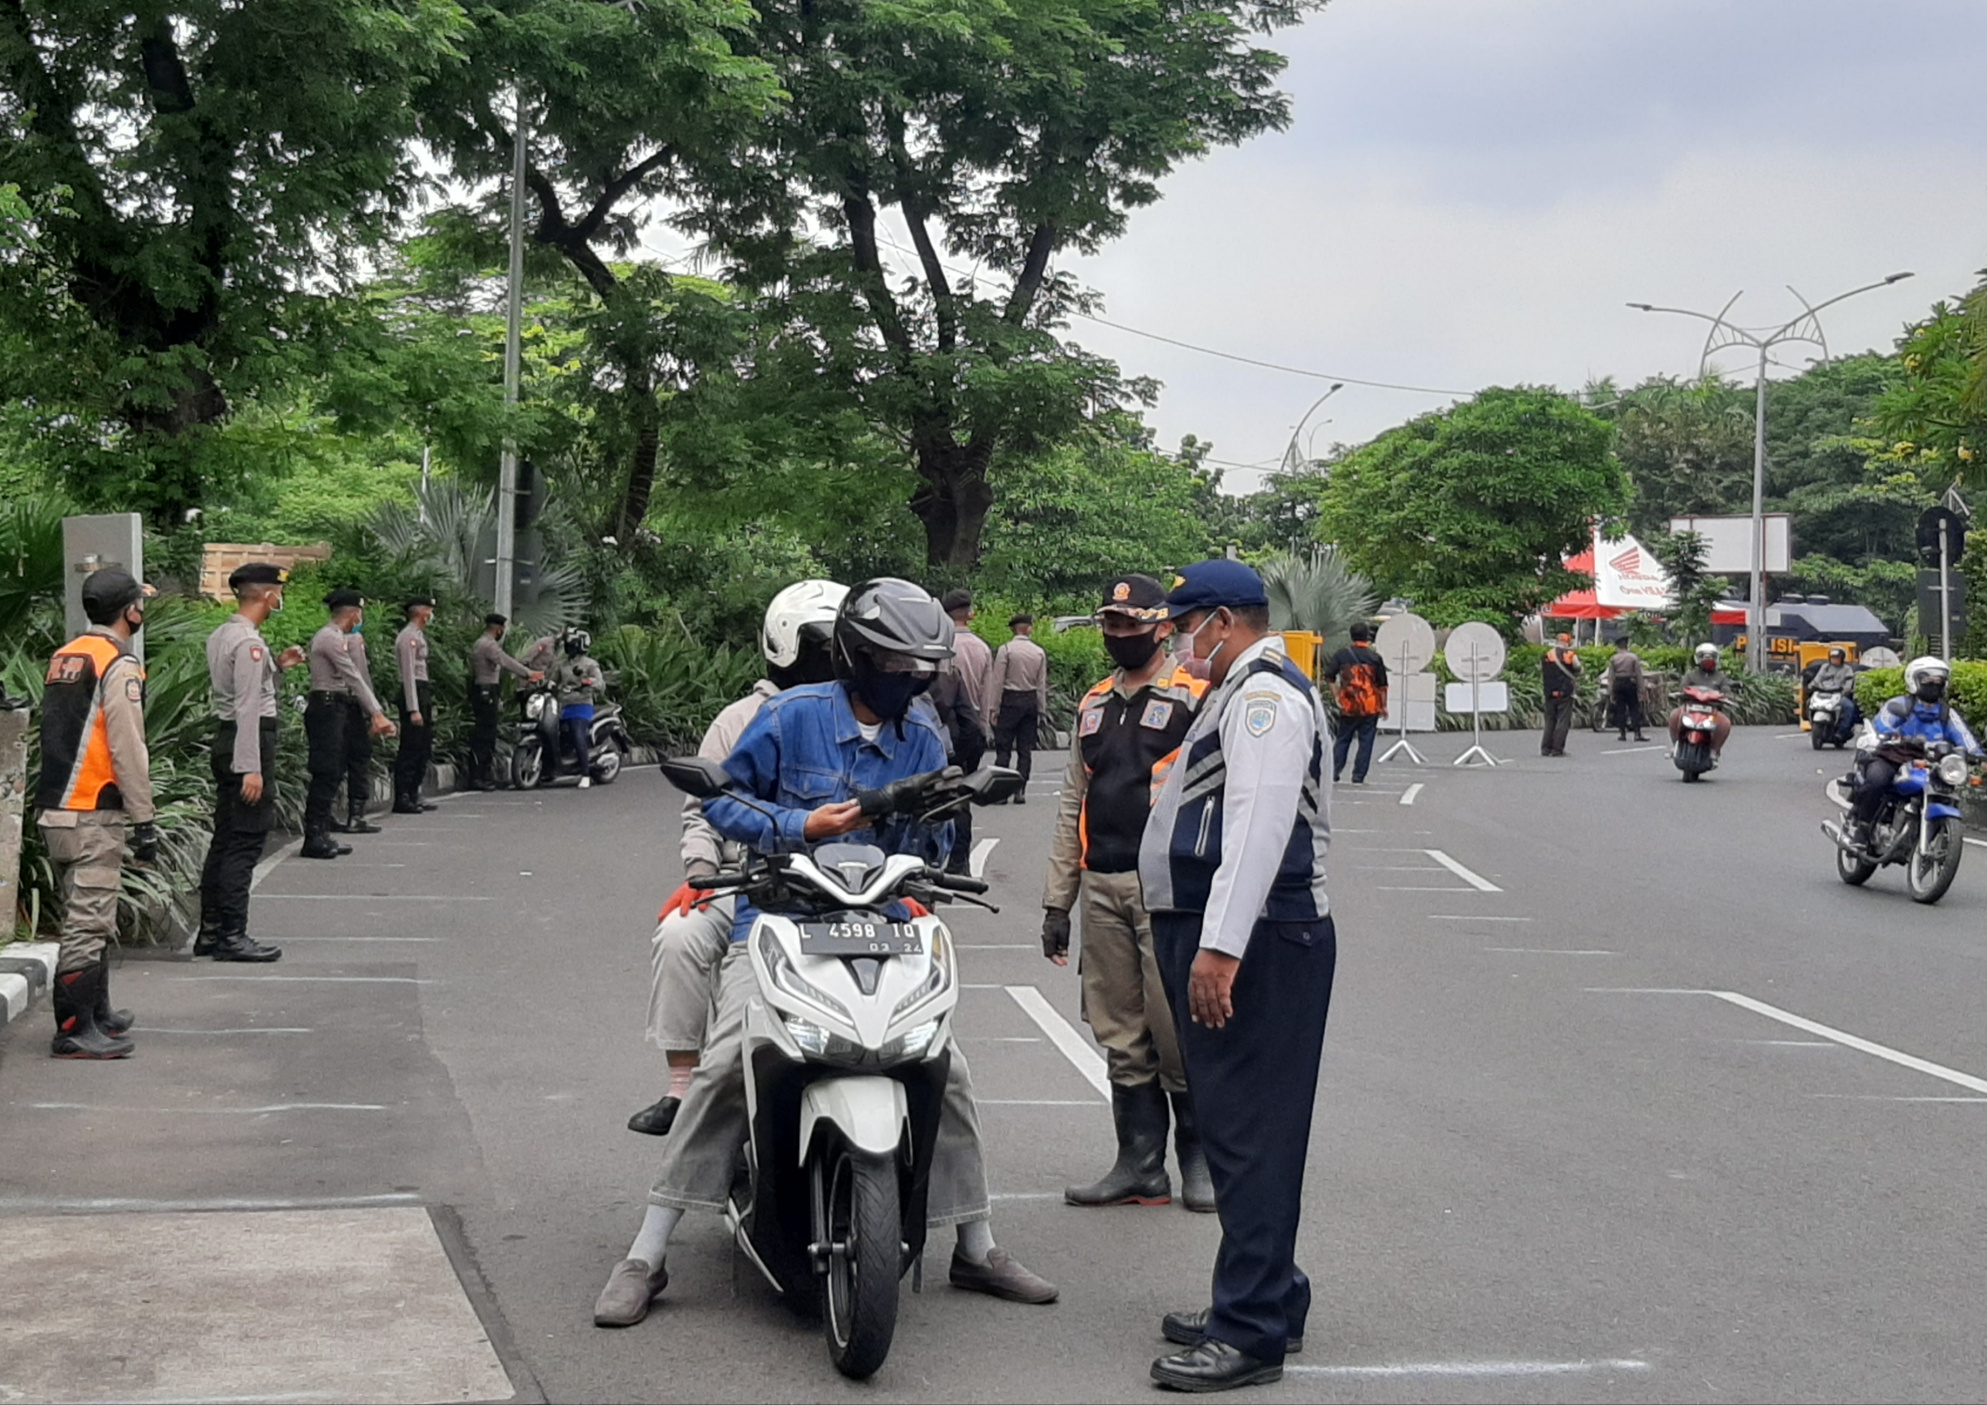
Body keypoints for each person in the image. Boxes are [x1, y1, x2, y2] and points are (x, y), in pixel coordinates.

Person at [593, 578, 1056, 1328]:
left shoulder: (923, 736)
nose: (910, 677)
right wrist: (798, 827)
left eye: (921, 665)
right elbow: (722, 799)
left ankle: (976, 1241)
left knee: (950, 1068)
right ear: (858, 654)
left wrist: (927, 864)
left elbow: (932, 835)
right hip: (774, 920)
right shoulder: (789, 716)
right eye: (897, 661)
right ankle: (646, 1250)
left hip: (880, 924)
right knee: (726, 1064)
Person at [1137, 559, 1334, 1393]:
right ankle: (1264, 1295)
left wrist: (1220, 945)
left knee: (1249, 1133)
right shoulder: (1245, 685)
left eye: (1185, 625)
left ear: (1222, 619)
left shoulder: (1262, 697)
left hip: (1257, 939)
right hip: (1245, 933)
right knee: (1237, 1125)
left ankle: (1249, 1329)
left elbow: (1255, 826)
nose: (1180, 642)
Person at [628, 580, 847, 1137]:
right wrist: (702, 876)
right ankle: (682, 1086)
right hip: (741, 881)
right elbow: (701, 811)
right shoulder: (738, 719)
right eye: (821, 646)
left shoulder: (859, 718)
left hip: (845, 889)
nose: (832, 658)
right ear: (786, 645)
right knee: (679, 935)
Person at [1042, 574, 1212, 1211]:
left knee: (1175, 1030)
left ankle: (1201, 1162)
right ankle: (1139, 1164)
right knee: (1119, 1031)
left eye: (1131, 625)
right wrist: (1057, 901)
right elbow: (1070, 804)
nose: (1119, 635)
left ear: (1163, 627)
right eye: (1111, 625)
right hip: (1103, 884)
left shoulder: (1197, 697)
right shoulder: (1092, 704)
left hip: (1169, 887)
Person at [35, 567, 158, 1058]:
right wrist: (144, 817)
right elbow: (129, 748)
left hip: (58, 805)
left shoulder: (66, 656)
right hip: (92, 807)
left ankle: (97, 1015)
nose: (142, 612)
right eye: (140, 604)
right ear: (129, 611)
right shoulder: (117, 663)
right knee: (89, 917)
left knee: (89, 910)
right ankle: (73, 1029)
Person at [197, 563, 305, 963]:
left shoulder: (224, 635)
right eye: (277, 591)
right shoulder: (248, 643)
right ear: (265, 595)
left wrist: (278, 669)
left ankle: (210, 932)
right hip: (249, 740)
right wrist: (251, 766)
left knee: (225, 839)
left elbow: (246, 692)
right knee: (245, 841)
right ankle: (232, 935)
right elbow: (247, 707)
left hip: (230, 738)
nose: (280, 597)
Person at [1844, 656, 1980, 846]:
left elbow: (1964, 737)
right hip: (1893, 757)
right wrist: (1893, 736)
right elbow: (1883, 723)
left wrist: (1978, 755)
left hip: (1931, 763)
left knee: (1946, 788)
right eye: (1927, 680)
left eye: (1938, 681)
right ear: (1913, 681)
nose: (1934, 684)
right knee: (1878, 780)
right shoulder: (1899, 705)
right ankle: (1862, 829)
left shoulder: (1947, 713)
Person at [304, 590, 395, 859]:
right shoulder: (330, 638)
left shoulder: (336, 637)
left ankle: (321, 832)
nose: (360, 618)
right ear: (353, 613)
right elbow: (354, 676)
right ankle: (314, 835)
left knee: (332, 770)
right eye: (360, 612)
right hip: (327, 708)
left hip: (336, 707)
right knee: (326, 771)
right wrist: (377, 713)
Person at [939, 589, 994, 871]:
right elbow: (987, 695)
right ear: (969, 613)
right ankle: (960, 857)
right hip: (971, 729)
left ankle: (942, 854)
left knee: (938, 792)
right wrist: (984, 727)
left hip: (944, 727)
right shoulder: (982, 648)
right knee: (964, 793)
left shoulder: (942, 646)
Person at [469, 613, 543, 790]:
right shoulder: (488, 645)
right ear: (498, 629)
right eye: (502, 629)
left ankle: (482, 775)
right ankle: (480, 777)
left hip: (483, 690)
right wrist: (528, 673)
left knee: (485, 734)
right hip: (486, 690)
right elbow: (506, 661)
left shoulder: (480, 643)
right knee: (486, 735)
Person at [332, 619, 386, 835]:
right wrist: (373, 709)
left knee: (336, 759)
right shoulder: (353, 639)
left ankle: (327, 813)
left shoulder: (328, 637)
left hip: (336, 705)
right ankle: (356, 815)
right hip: (354, 705)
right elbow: (360, 677)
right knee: (359, 758)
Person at [990, 612, 1051, 802]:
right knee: (1025, 749)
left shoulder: (1006, 650)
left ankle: (1001, 792)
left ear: (1014, 629)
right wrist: (1041, 709)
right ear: (1029, 628)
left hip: (1009, 700)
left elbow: (997, 681)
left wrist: (994, 707)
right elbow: (1041, 685)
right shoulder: (1038, 652)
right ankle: (1020, 790)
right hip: (1030, 700)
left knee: (1004, 748)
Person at [1322, 622, 1387, 783]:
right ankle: (1358, 775)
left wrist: (1337, 693)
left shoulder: (1342, 655)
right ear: (1367, 636)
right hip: (1370, 706)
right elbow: (1382, 685)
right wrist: (1383, 706)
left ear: (1351, 636)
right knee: (1366, 742)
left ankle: (1335, 771)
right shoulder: (1375, 657)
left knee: (1343, 739)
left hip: (1349, 705)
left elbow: (1329, 676)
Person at [392, 597, 438, 814]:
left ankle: (414, 792)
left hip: (423, 690)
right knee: (410, 747)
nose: (431, 614)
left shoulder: (418, 635)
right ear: (420, 612)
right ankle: (402, 796)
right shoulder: (407, 637)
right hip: (413, 692)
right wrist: (413, 708)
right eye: (429, 609)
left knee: (423, 745)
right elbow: (408, 675)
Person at [553, 631, 605, 788]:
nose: (569, 648)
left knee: (577, 733)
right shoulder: (561, 664)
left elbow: (601, 684)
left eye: (572, 645)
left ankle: (585, 773)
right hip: (563, 705)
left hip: (582, 704)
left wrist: (590, 682)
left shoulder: (590, 664)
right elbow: (553, 681)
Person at [1669, 642, 1735, 763]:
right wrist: (1679, 693)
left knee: (1725, 723)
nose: (1707, 660)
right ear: (1698, 659)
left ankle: (1713, 750)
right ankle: (1676, 745)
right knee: (1674, 716)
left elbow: (1727, 691)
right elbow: (1682, 688)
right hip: (1690, 708)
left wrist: (1726, 697)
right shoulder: (1690, 675)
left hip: (1712, 710)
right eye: (1704, 657)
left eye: (1711, 657)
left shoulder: (1721, 677)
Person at [1539, 632, 1582, 757]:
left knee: (1550, 720)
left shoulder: (1547, 654)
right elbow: (1578, 668)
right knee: (1562, 721)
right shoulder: (1570, 655)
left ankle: (1545, 748)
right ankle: (1557, 749)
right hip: (1565, 692)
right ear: (1567, 642)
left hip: (1549, 692)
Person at [1807, 647, 1861, 740]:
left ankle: (1842, 731)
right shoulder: (1825, 667)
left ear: (1842, 658)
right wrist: (1811, 686)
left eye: (1837, 658)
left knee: (1849, 707)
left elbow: (1849, 682)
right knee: (1808, 703)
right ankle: (1813, 725)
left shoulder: (1847, 669)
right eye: (1833, 657)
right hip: (1822, 693)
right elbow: (1817, 679)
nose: (1835, 660)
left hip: (1838, 694)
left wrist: (1846, 690)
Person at [1606, 639, 1648, 742]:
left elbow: (1611, 676)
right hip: (1630, 683)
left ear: (1618, 646)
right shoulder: (1633, 657)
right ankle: (1637, 734)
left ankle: (1622, 734)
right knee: (1634, 708)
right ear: (1626, 645)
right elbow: (1638, 674)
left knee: (1620, 709)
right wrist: (1641, 690)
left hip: (1618, 683)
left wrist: (1610, 691)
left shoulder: (1614, 658)